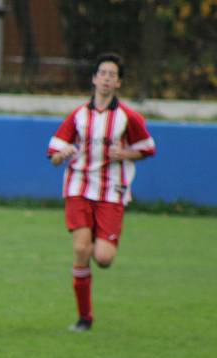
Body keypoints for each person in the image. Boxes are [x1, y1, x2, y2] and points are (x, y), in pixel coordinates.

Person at [47, 53, 156, 331]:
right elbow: (54, 153)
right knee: (81, 249)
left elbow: (148, 148)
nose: (106, 78)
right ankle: (85, 318)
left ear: (118, 82)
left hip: (111, 191)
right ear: (94, 79)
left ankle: (98, 234)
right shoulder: (79, 116)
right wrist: (64, 153)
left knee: (104, 259)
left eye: (112, 74)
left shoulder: (127, 117)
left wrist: (126, 152)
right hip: (79, 187)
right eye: (102, 73)